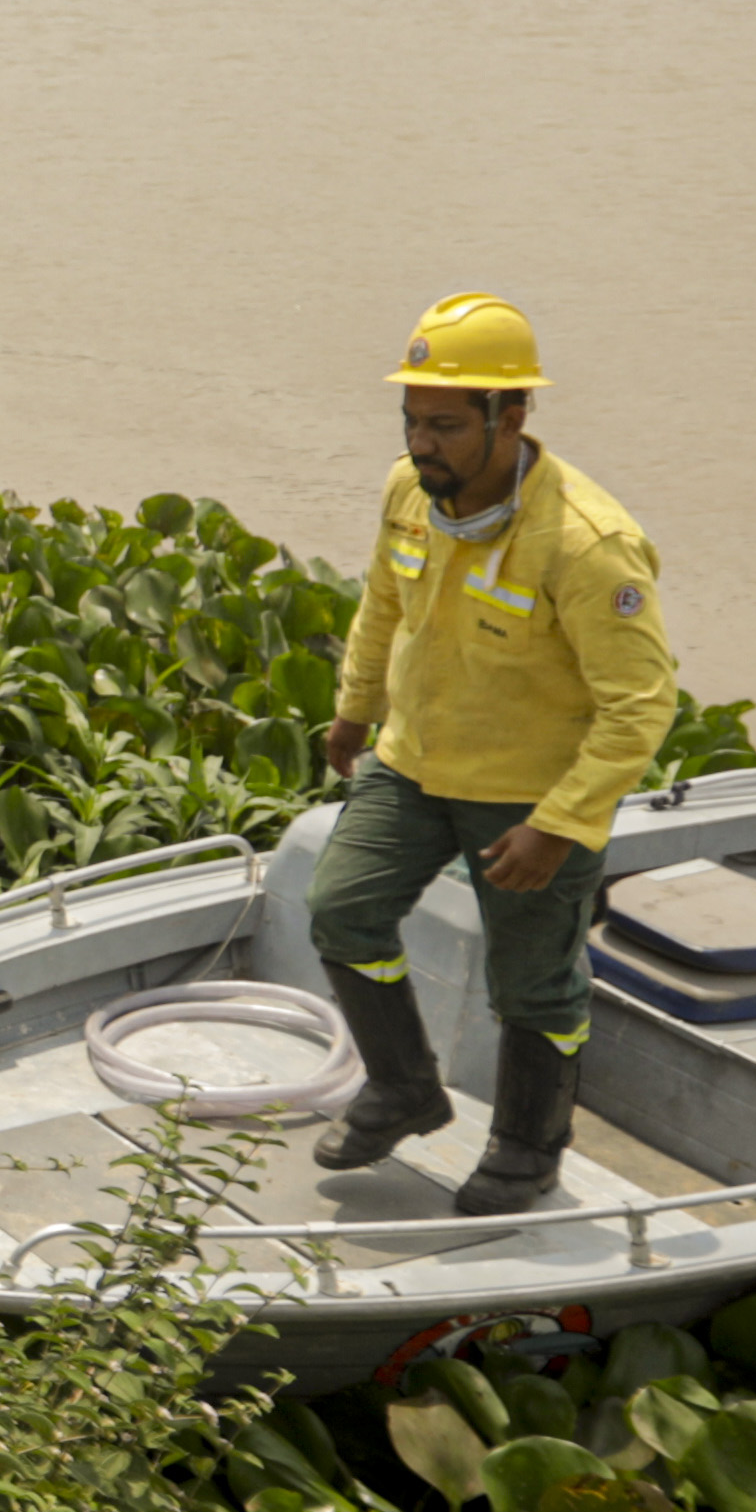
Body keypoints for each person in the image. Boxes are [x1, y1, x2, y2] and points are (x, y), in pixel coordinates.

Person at [306, 291, 679, 1214]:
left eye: (442, 424)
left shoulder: (586, 546)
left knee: (534, 986)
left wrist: (556, 828)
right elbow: (382, 607)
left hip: (528, 796)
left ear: (509, 417)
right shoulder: (409, 493)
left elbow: (640, 706)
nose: (420, 443)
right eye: (410, 420)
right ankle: (403, 1087)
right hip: (413, 761)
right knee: (339, 908)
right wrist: (354, 712)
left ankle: (526, 1146)